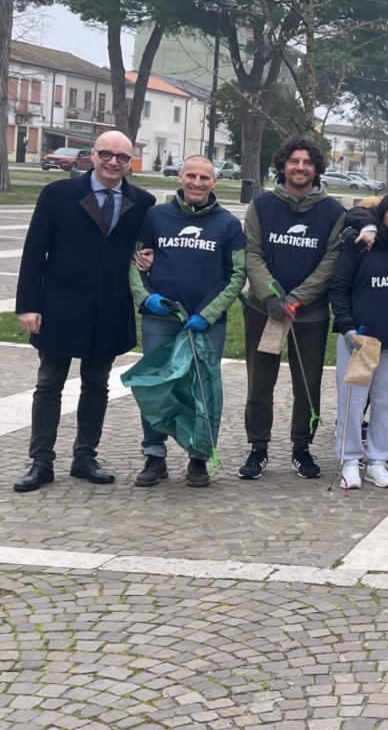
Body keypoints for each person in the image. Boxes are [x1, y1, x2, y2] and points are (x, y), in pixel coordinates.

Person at [15, 130, 154, 492]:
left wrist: (147, 259)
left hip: (109, 306)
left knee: (97, 385)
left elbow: (146, 249)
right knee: (49, 384)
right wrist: (28, 304)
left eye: (122, 157)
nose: (113, 162)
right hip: (60, 304)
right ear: (92, 155)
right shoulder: (58, 194)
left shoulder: (143, 202)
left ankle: (85, 456)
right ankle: (41, 461)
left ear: (130, 163)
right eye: (106, 154)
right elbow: (34, 251)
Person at [128, 155, 244, 488]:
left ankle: (198, 457)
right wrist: (144, 297)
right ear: (180, 177)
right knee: (156, 384)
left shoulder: (228, 224)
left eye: (204, 178)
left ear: (214, 182)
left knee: (202, 388)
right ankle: (154, 455)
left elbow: (236, 275)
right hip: (161, 318)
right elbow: (135, 261)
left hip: (206, 322)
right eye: (190, 176)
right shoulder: (156, 216)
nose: (196, 183)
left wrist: (208, 314)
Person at [239, 137, 348, 481]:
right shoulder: (261, 205)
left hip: (309, 313)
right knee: (260, 381)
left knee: (308, 383)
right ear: (283, 166)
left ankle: (302, 447)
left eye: (307, 163)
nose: (300, 167)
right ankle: (258, 447)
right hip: (264, 309)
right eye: (294, 161)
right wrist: (271, 296)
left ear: (316, 170)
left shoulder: (332, 211)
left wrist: (297, 297)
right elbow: (252, 252)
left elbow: (332, 259)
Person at [329, 190, 388, 490]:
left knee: (386, 403)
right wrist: (347, 327)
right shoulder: (360, 244)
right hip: (360, 339)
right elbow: (339, 287)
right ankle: (350, 459)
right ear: (382, 215)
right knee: (352, 402)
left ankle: (378, 460)